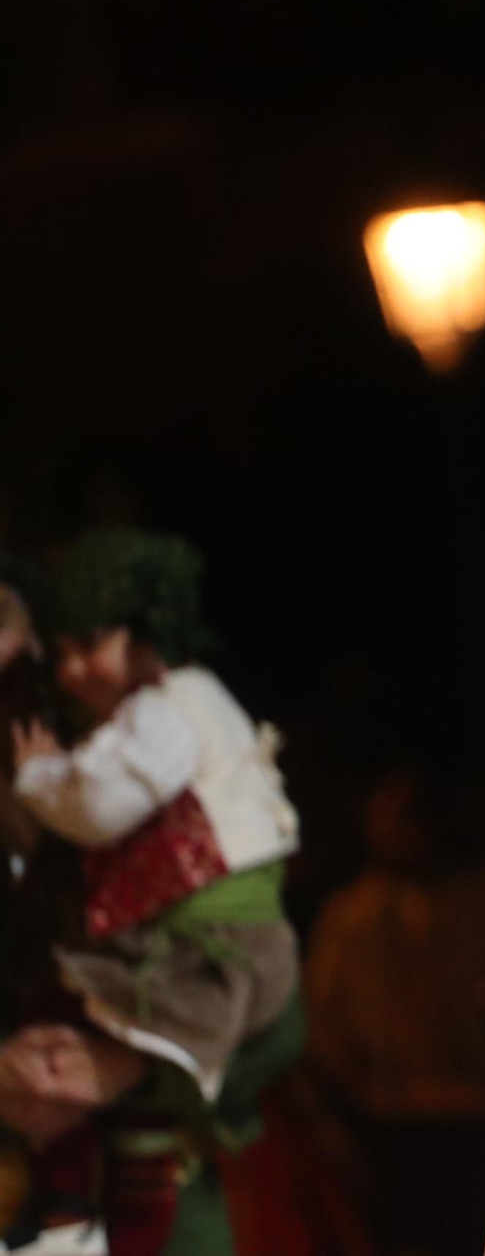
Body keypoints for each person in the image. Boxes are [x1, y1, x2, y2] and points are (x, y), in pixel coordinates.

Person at [3, 530, 303, 1254]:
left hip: (184, 977)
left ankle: (69, 1217)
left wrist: (128, 1065)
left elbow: (276, 1023)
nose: (71, 671)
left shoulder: (148, 715)